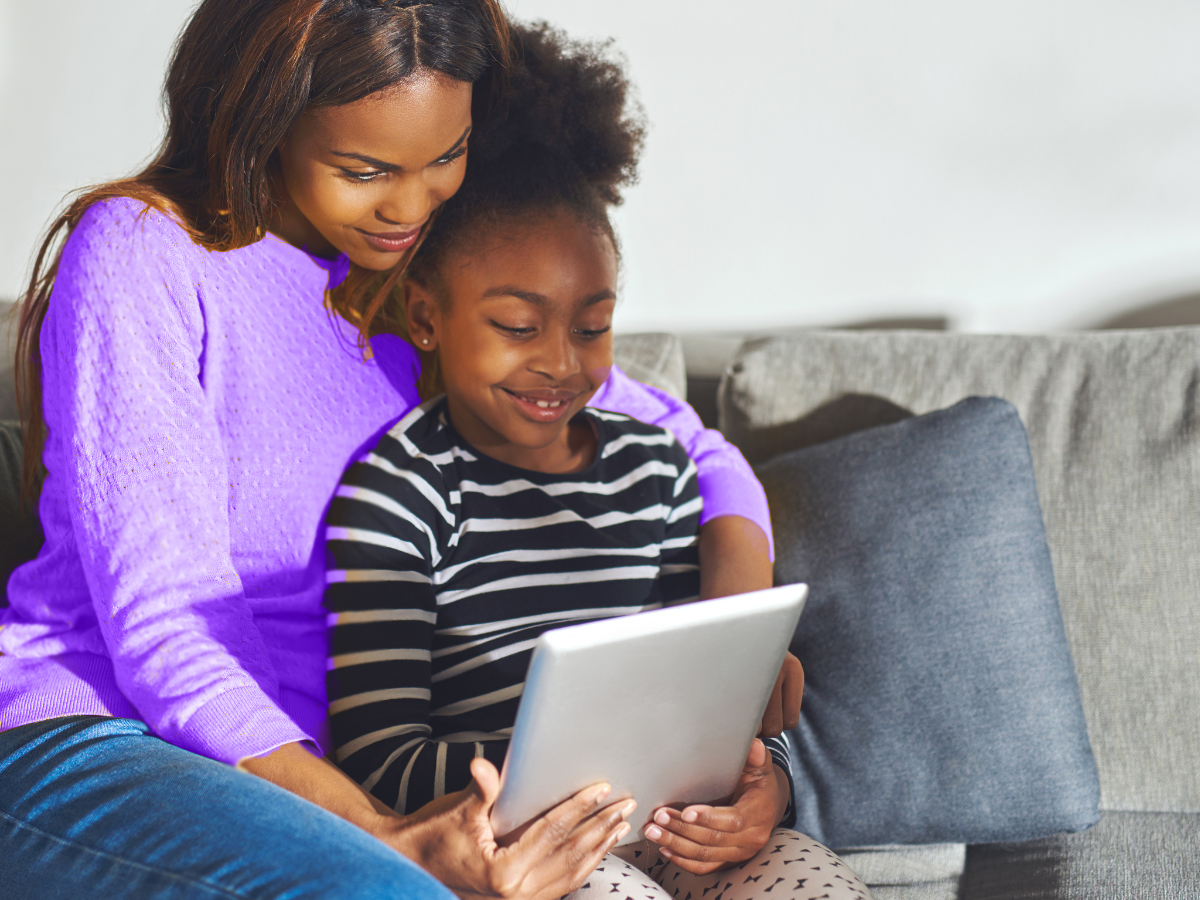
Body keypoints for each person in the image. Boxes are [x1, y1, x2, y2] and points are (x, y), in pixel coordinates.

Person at [0, 2, 794, 899]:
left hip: (326, 784)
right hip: (104, 737)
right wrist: (384, 837)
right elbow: (166, 627)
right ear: (265, 116)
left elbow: (699, 452)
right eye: (367, 168)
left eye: (445, 157)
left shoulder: (418, 291)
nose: (410, 206)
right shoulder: (148, 252)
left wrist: (734, 679)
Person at [324, 23, 872, 900]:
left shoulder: (654, 471)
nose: (561, 362)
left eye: (592, 326)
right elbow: (377, 753)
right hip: (523, 846)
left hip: (671, 825)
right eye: (516, 326)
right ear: (426, 317)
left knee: (815, 882)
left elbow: (707, 692)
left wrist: (759, 775)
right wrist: (547, 782)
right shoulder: (400, 491)